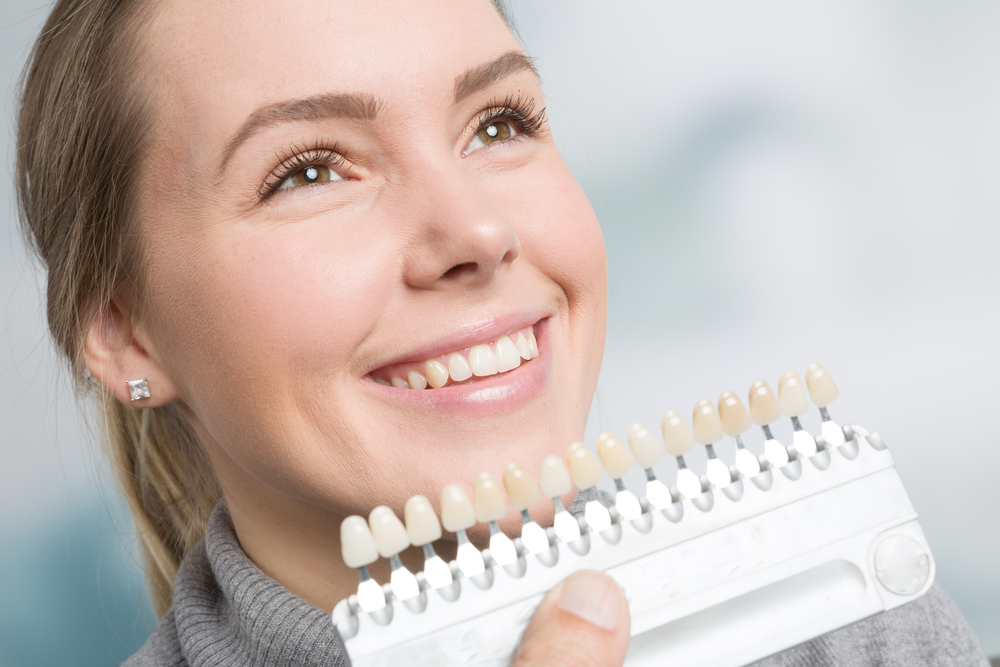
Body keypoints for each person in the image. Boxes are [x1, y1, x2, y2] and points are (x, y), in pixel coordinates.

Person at [15, 0, 989, 665]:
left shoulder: (856, 623)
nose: (478, 231)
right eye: (309, 170)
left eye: (498, 123)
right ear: (123, 332)